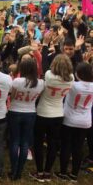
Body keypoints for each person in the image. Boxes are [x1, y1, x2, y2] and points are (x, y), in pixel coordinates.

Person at [32, 54, 74, 182]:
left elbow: (45, 64)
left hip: (43, 113)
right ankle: (47, 172)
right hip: (58, 114)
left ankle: (39, 172)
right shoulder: (71, 78)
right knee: (52, 144)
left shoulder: (49, 76)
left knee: (38, 143)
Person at [8, 58, 44, 180]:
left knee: (14, 141)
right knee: (25, 143)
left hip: (15, 111)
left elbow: (11, 97)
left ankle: (13, 170)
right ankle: (19, 171)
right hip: (30, 113)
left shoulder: (17, 81)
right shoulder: (40, 83)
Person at [56, 62, 93, 182]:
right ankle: (74, 175)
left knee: (66, 146)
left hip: (69, 119)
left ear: (77, 74)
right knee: (78, 147)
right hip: (85, 121)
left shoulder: (73, 85)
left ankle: (62, 172)